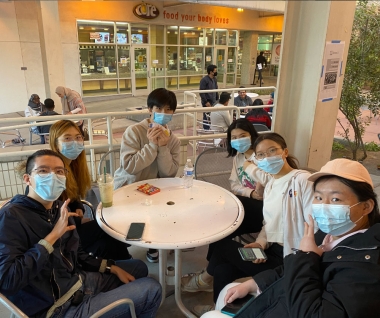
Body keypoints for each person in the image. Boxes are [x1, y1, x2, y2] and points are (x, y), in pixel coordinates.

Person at [202, 158, 380, 318]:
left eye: (335, 199)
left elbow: (313, 309)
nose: (323, 206)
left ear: (366, 207)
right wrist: (255, 282)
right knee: (227, 288)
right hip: (282, 300)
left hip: (293, 306)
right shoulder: (327, 234)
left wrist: (306, 256)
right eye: (318, 197)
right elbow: (292, 269)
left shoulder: (366, 264)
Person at [0, 149, 161, 318]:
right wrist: (51, 239)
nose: (53, 176)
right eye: (43, 171)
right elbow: (7, 281)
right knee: (152, 289)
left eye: (59, 171)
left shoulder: (58, 209)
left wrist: (111, 268)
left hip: (76, 283)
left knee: (139, 267)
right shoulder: (11, 217)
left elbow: (79, 255)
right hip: (56, 308)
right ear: (27, 179)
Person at [183, 133, 315, 316]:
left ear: (285, 152)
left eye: (272, 151)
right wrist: (260, 244)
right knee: (223, 267)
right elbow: (268, 224)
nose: (267, 157)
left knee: (222, 244)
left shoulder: (301, 180)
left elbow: (314, 225)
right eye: (261, 155)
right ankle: (219, 308)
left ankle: (205, 279)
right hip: (271, 249)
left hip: (289, 259)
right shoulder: (270, 184)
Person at [48, 119, 132, 260]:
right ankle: (127, 264)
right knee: (108, 229)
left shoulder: (74, 167)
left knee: (108, 239)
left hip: (72, 225)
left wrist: (78, 206)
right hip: (60, 235)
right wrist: (77, 222)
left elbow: (71, 196)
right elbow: (51, 214)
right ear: (55, 144)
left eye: (78, 137)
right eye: (67, 138)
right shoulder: (53, 174)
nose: (74, 142)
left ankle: (123, 264)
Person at [114, 88, 181, 263]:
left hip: (155, 189)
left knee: (169, 208)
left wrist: (163, 148)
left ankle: (154, 245)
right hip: (128, 185)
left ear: (173, 113)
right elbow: (130, 167)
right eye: (158, 109)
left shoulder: (172, 139)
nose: (163, 113)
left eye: (168, 110)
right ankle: (120, 250)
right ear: (150, 109)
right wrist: (152, 145)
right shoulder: (134, 131)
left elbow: (169, 173)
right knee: (129, 226)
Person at [200, 64, 219, 129]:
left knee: (213, 115)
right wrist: (206, 102)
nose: (216, 72)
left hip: (214, 101)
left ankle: (212, 128)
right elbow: (201, 92)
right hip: (207, 101)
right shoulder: (204, 80)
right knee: (206, 116)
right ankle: (206, 129)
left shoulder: (214, 79)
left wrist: (217, 99)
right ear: (211, 72)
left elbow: (216, 89)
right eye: (215, 71)